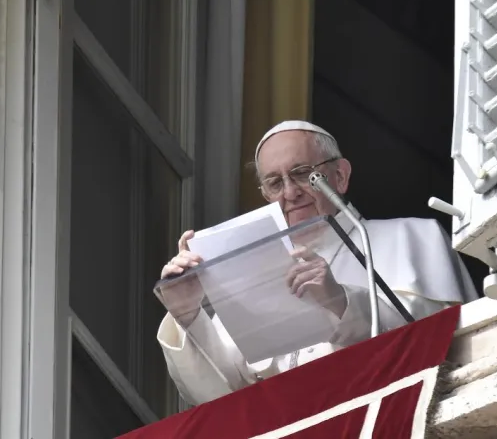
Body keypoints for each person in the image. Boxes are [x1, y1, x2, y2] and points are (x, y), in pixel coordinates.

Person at [156, 120, 478, 406]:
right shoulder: (249, 269)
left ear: (340, 176)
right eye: (274, 183)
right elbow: (222, 398)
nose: (290, 193)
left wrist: (340, 302)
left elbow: (439, 342)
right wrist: (188, 314)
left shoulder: (412, 235)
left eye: (301, 174)